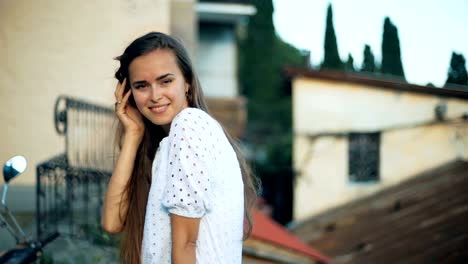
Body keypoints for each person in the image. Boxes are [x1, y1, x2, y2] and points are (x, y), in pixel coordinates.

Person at [101, 32, 259, 264]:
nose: (155, 96)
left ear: (186, 82)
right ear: (129, 94)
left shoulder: (189, 125)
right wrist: (133, 135)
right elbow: (112, 222)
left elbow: (186, 243)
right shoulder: (169, 144)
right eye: (142, 85)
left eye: (165, 81)